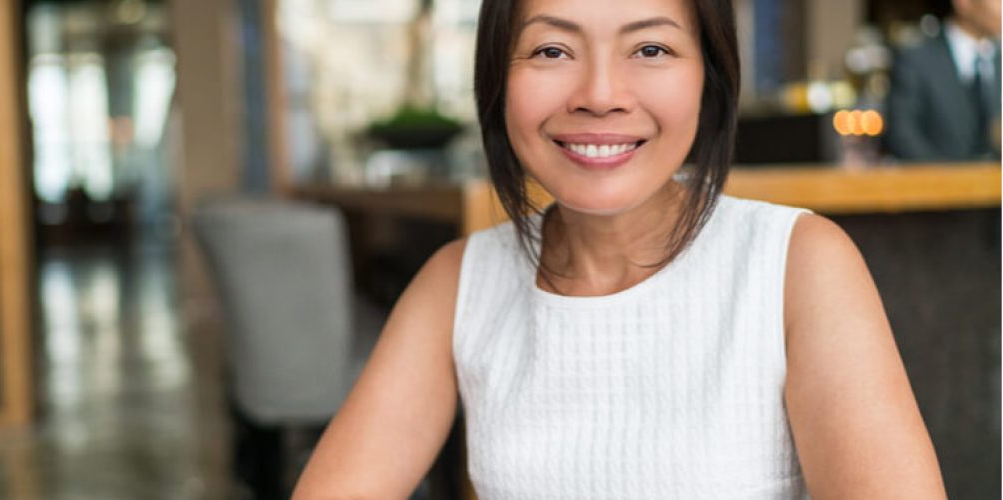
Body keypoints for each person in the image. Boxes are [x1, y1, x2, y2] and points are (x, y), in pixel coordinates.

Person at [294, 0, 947, 497]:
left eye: (652, 49)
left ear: (708, 75)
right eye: (551, 51)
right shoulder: (459, 282)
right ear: (497, 76)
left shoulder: (795, 265)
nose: (601, 95)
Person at [885, 0, 1002, 161]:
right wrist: (949, 179)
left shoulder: (999, 60)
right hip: (935, 181)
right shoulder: (916, 59)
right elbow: (901, 135)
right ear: (964, 3)